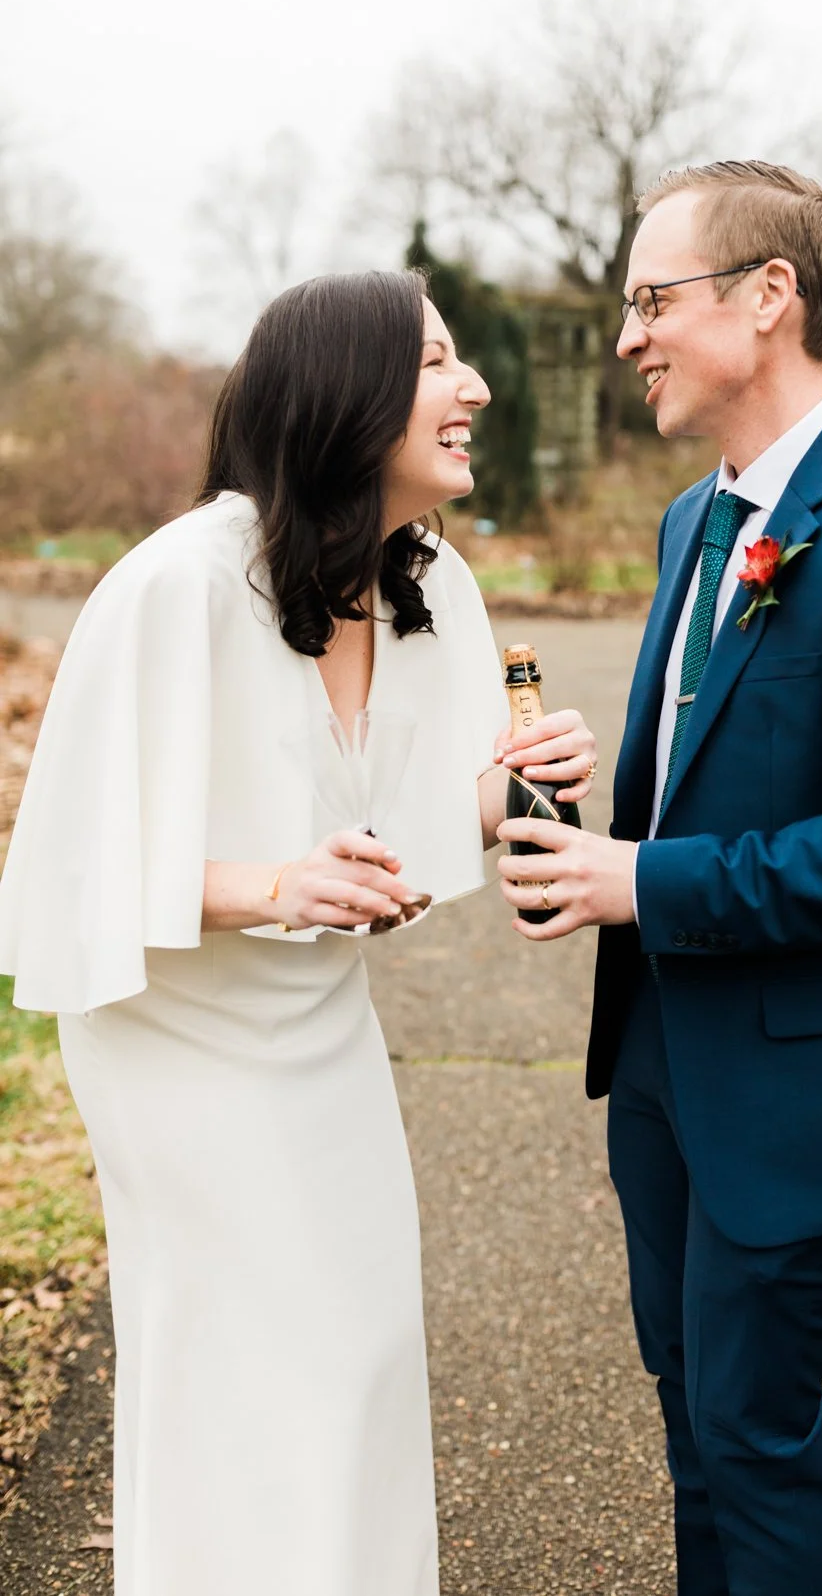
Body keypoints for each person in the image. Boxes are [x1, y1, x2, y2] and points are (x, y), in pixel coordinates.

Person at [0, 270, 596, 1596]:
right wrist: (274, 886)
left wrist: (520, 785)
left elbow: (417, 810)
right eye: (437, 362)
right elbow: (68, 869)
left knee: (363, 1343)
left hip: (320, 1029)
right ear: (347, 393)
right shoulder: (175, 585)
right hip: (178, 1036)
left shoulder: (428, 580)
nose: (475, 387)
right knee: (245, 1351)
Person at [497, 161, 822, 1595]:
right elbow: (711, 775)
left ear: (768, 298)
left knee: (753, 1427)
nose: (625, 335)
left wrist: (643, 883)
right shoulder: (688, 520)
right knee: (691, 1426)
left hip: (801, 1079)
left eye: (651, 298)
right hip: (660, 1059)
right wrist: (579, 824)